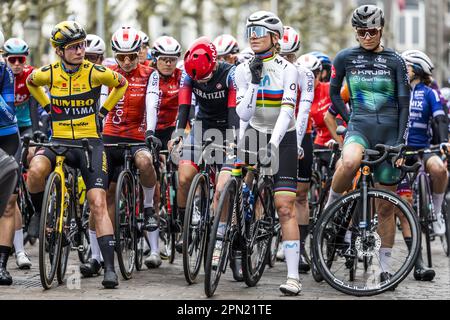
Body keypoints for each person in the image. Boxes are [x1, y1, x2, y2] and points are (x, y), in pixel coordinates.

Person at [26, 21, 128, 289]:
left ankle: (108, 268)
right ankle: (39, 213)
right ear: (59, 51)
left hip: (89, 145)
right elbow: (30, 81)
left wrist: (103, 111)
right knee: (35, 169)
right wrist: (48, 106)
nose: (80, 51)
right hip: (58, 141)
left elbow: (122, 83)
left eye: (82, 45)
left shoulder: (95, 72)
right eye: (73, 47)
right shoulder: (48, 73)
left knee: (97, 201)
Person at [325, 5, 411, 286]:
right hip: (360, 127)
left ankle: (385, 267)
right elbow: (334, 95)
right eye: (361, 31)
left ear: (381, 29)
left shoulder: (395, 61)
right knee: (349, 161)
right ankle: (331, 206)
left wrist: (399, 144)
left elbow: (404, 105)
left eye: (372, 31)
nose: (366, 36)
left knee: (385, 207)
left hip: (388, 133)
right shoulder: (345, 57)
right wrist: (351, 120)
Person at [235, 11, 301, 295]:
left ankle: (293, 276)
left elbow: (288, 111)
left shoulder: (288, 70)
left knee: (285, 205)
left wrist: (273, 145)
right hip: (254, 131)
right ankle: (236, 246)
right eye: (250, 29)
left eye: (260, 30)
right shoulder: (242, 69)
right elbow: (243, 113)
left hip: (283, 135)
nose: (253, 34)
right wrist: (252, 82)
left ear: (276, 38)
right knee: (239, 191)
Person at [170, 37, 242, 280]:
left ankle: (222, 237)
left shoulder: (230, 74)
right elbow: (184, 109)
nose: (201, 81)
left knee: (223, 188)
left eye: (205, 78)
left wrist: (232, 143)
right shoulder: (188, 75)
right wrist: (179, 136)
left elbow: (234, 111)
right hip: (203, 127)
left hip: (229, 128)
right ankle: (187, 223)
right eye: (196, 79)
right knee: (184, 176)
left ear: (213, 64)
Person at [395, 49, 449, 281]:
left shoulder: (429, 93)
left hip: (424, 149)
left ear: (417, 69)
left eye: (406, 66)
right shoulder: (399, 91)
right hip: (401, 151)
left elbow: (439, 119)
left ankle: (436, 212)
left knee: (439, 168)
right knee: (402, 200)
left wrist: (445, 141)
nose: (403, 70)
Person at [3, 37, 47, 269]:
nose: (17, 64)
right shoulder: (4, 76)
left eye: (21, 59)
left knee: (32, 156)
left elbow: (37, 106)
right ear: (6, 58)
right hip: (8, 127)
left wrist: (37, 135)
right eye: (13, 59)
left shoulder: (32, 75)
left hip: (27, 125)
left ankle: (36, 204)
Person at [277, 26, 315, 274]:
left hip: (299, 133)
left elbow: (302, 111)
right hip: (269, 131)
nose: (287, 61)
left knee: (299, 196)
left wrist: (298, 142)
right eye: (283, 56)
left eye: (291, 57)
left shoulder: (305, 75)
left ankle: (299, 249)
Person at [0, 30, 20, 285]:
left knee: (8, 202)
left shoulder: (3, 72)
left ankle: (2, 265)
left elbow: (9, 109)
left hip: (5, 136)